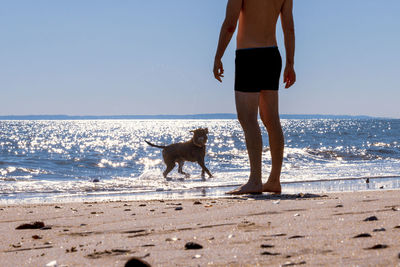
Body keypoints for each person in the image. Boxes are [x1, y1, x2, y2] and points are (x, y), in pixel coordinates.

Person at [213, 0, 296, 194]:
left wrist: (218, 55)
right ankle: (274, 180)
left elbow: (230, 23)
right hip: (272, 56)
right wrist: (290, 63)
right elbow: (289, 28)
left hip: (249, 56)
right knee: (271, 119)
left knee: (248, 118)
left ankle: (255, 180)